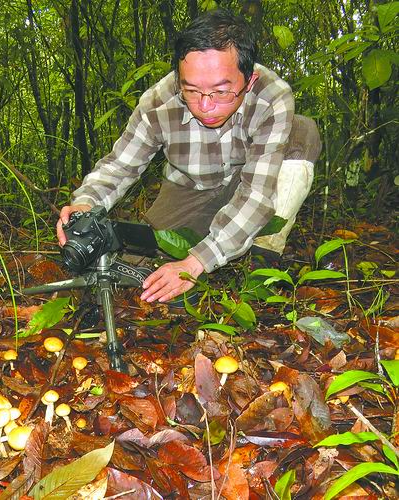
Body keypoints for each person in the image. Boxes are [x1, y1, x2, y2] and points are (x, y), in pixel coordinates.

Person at [56, 8, 321, 304]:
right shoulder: (158, 102)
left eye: (221, 92)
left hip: (252, 180)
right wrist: (86, 202)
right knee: (141, 266)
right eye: (191, 90)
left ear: (249, 81)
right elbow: (121, 165)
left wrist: (195, 262)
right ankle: (211, 242)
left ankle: (263, 260)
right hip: (189, 188)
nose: (205, 106)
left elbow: (257, 194)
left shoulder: (272, 96)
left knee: (303, 132)